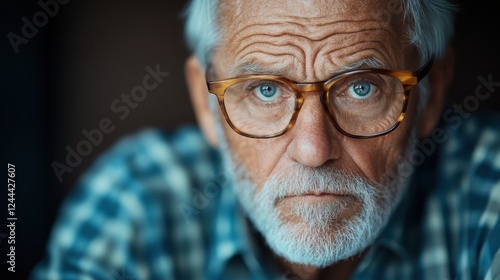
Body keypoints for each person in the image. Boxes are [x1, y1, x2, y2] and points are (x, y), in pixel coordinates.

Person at [31, 0, 500, 279]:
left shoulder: (487, 186)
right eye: (266, 89)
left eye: (361, 87)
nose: (314, 151)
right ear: (206, 102)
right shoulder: (135, 201)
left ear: (431, 93)